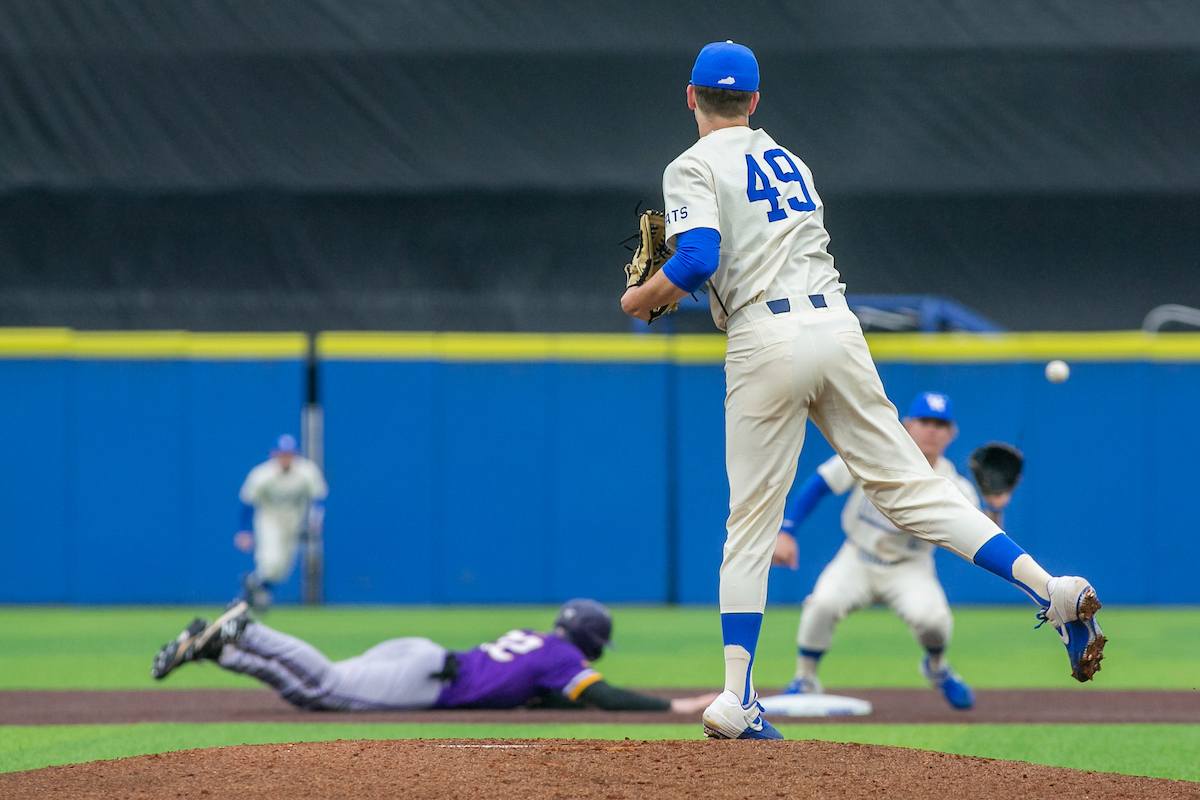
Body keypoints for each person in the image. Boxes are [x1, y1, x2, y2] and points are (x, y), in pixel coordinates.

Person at [620, 41, 1105, 740]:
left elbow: (698, 258)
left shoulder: (691, 164)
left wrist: (644, 298)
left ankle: (737, 695)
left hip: (764, 335)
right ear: (755, 102)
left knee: (750, 525)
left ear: (690, 96)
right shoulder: (790, 162)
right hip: (837, 327)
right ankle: (1046, 586)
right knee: (916, 490)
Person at [772, 392, 1013, 710]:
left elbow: (983, 537)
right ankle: (805, 678)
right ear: (906, 425)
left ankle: (937, 669)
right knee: (822, 605)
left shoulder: (954, 485)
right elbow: (820, 483)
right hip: (857, 558)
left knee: (934, 623)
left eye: (940, 424)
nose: (931, 430)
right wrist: (787, 530)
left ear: (951, 434)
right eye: (924, 421)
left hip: (909, 567)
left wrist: (995, 509)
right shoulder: (874, 453)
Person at [151, 598, 718, 715]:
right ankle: (248, 630)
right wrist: (675, 707)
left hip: (424, 657)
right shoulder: (562, 660)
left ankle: (220, 651)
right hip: (427, 677)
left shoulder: (540, 644)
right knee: (322, 683)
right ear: (592, 640)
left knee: (310, 693)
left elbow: (546, 695)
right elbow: (605, 696)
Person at [235, 434, 328, 610]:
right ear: (274, 454)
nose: (286, 458)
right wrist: (244, 530)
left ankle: (255, 585)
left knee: (283, 568)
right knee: (271, 560)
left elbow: (318, 498)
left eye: (289, 454)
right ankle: (255, 593)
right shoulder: (262, 474)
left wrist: (314, 520)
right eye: (282, 454)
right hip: (269, 520)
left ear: (296, 454)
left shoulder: (306, 471)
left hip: (294, 522)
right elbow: (247, 502)